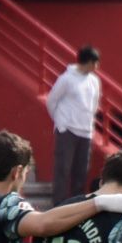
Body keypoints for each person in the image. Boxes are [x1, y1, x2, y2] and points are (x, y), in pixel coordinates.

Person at [45, 44, 100, 201]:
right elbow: (52, 100)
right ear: (88, 62)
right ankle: (58, 205)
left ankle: (76, 205)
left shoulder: (94, 81)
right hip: (67, 129)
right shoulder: (66, 79)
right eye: (95, 62)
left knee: (81, 172)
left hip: (85, 131)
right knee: (63, 169)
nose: (97, 66)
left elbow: (95, 104)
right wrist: (60, 122)